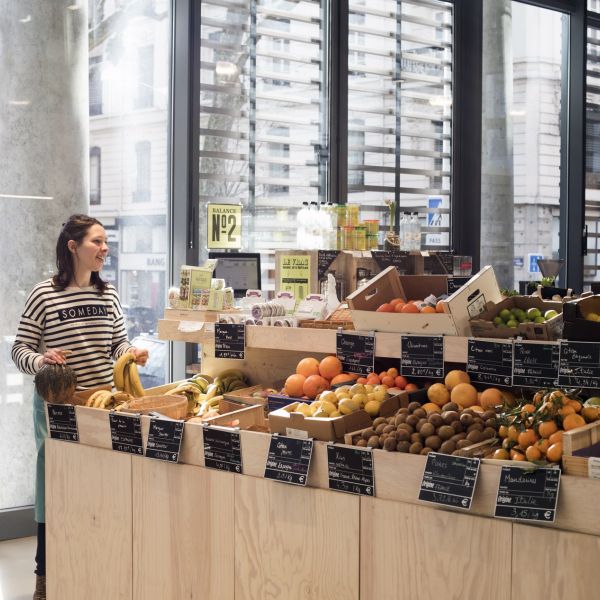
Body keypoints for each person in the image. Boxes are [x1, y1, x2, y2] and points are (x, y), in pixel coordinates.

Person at [11, 214, 149, 600]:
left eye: (106, 243)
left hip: (103, 403)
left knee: (98, 490)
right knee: (55, 490)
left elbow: (117, 345)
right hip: (57, 407)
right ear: (73, 247)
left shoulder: (109, 295)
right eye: (97, 242)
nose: (105, 249)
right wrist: (42, 361)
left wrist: (131, 354)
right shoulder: (44, 295)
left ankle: (92, 571)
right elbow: (19, 350)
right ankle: (46, 580)